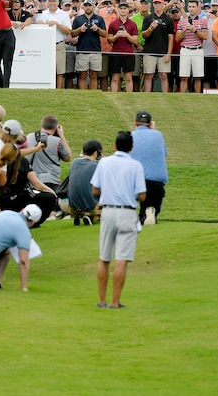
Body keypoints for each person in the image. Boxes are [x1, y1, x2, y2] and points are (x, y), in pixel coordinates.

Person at [91, 131, 146, 309]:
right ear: (131, 147)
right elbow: (142, 195)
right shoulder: (135, 166)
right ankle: (115, 302)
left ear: (115, 145)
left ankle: (102, 301)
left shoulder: (104, 162)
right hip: (127, 213)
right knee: (121, 259)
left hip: (107, 211)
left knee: (104, 258)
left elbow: (95, 190)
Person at [129, 112, 168, 226]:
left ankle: (141, 215)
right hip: (156, 183)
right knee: (153, 203)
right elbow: (164, 153)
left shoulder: (130, 137)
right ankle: (150, 213)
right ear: (150, 124)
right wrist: (154, 130)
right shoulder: (158, 135)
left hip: (135, 183)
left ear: (135, 123)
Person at [62, 140, 103, 225]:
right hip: (90, 207)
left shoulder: (74, 163)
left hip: (72, 207)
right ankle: (90, 216)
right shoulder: (97, 166)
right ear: (95, 153)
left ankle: (80, 215)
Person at [176, 0, 209, 94]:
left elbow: (205, 36)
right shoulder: (182, 21)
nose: (191, 9)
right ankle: (183, 98)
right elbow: (177, 38)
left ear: (198, 7)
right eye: (189, 6)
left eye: (193, 7)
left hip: (198, 50)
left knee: (198, 77)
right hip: (185, 50)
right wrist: (185, 30)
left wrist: (194, 30)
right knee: (184, 77)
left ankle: (197, 97)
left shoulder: (203, 21)